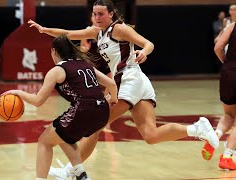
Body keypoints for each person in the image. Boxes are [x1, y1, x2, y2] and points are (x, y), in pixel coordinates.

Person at [28, 0, 219, 178]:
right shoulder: (98, 32)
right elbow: (68, 34)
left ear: (111, 14)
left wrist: (144, 51)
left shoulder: (119, 29)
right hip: (136, 82)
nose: (97, 18)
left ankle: (71, 171)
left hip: (130, 79)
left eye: (101, 14)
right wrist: (44, 29)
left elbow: (148, 43)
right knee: (151, 135)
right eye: (94, 14)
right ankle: (197, 129)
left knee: (96, 124)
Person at [1, 34, 118, 180]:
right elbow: (112, 84)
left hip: (83, 109)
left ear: (54, 51)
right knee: (62, 135)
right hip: (102, 112)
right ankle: (80, 174)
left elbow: (38, 101)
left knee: (44, 141)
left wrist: (18, 92)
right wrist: (113, 99)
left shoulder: (57, 70)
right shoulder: (85, 64)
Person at [201, 22, 236, 170]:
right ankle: (228, 157)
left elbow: (217, 48)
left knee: (229, 114)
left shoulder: (233, 25)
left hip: (228, 72)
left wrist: (227, 63)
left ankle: (215, 135)